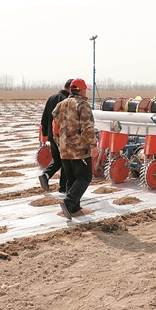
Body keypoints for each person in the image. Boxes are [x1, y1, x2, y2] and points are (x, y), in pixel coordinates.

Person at [52, 78, 97, 220]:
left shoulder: (60, 105)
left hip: (64, 150)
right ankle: (68, 203)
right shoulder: (83, 105)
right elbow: (87, 129)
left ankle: (74, 208)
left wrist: (59, 144)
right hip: (79, 151)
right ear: (82, 90)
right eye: (85, 90)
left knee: (71, 180)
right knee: (84, 177)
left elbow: (55, 128)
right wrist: (94, 146)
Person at [38, 79, 73, 193]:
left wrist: (45, 135)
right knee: (66, 161)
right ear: (70, 88)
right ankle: (63, 188)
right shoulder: (67, 101)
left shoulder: (51, 98)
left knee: (58, 160)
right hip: (62, 137)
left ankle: (46, 175)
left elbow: (44, 117)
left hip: (52, 136)